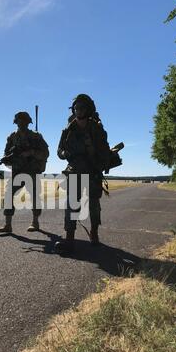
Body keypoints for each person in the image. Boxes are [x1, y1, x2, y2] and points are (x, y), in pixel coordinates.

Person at [55, 94, 110, 252]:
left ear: (88, 109)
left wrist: (96, 156)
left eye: (82, 108)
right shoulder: (68, 129)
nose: (79, 110)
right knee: (72, 204)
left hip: (92, 171)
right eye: (76, 108)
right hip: (75, 171)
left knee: (93, 204)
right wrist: (65, 154)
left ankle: (94, 232)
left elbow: (104, 151)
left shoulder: (96, 129)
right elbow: (59, 150)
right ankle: (70, 238)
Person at [0, 112, 49, 234]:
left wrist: (31, 152)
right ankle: (7, 225)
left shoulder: (36, 137)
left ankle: (35, 222)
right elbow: (6, 154)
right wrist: (7, 159)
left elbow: (45, 153)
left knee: (35, 197)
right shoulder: (12, 137)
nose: (21, 124)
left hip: (32, 171)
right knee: (9, 194)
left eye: (23, 121)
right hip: (17, 171)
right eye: (19, 121)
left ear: (28, 122)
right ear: (16, 122)